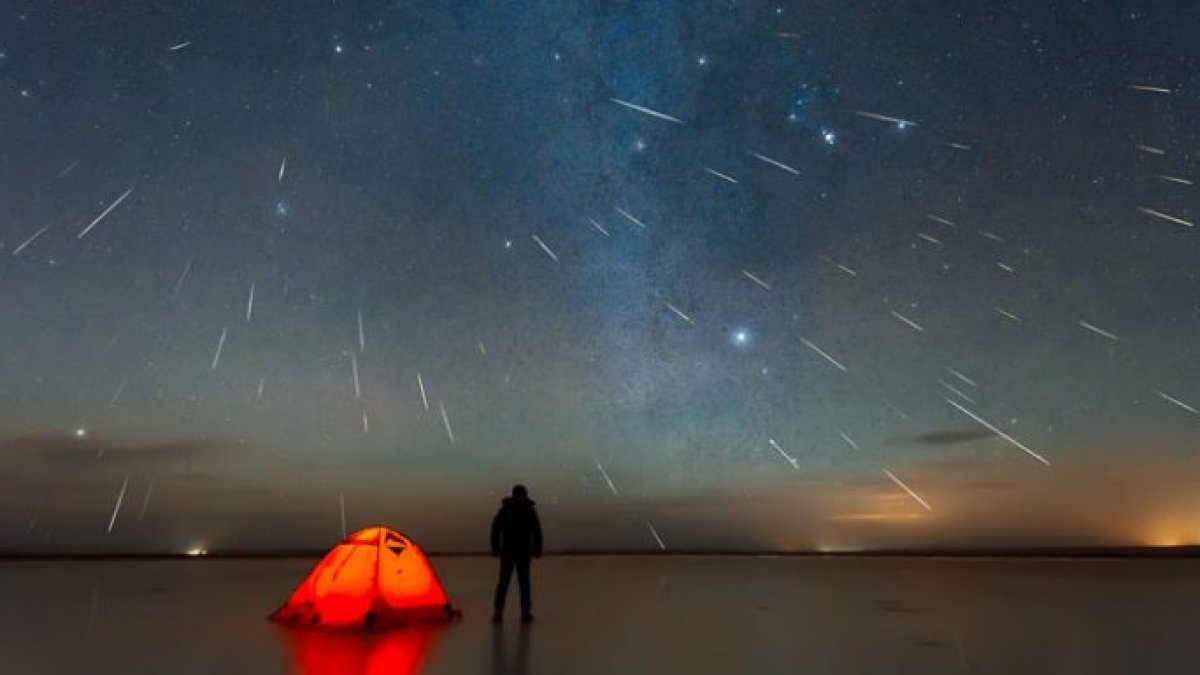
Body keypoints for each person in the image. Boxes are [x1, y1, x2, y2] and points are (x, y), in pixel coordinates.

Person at [490, 484, 542, 623]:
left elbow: (495, 530)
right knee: (516, 582)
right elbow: (536, 531)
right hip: (516, 552)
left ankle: (502, 612)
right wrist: (537, 549)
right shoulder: (524, 510)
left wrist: (496, 548)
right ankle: (515, 612)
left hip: (514, 552)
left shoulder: (510, 510)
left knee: (510, 582)